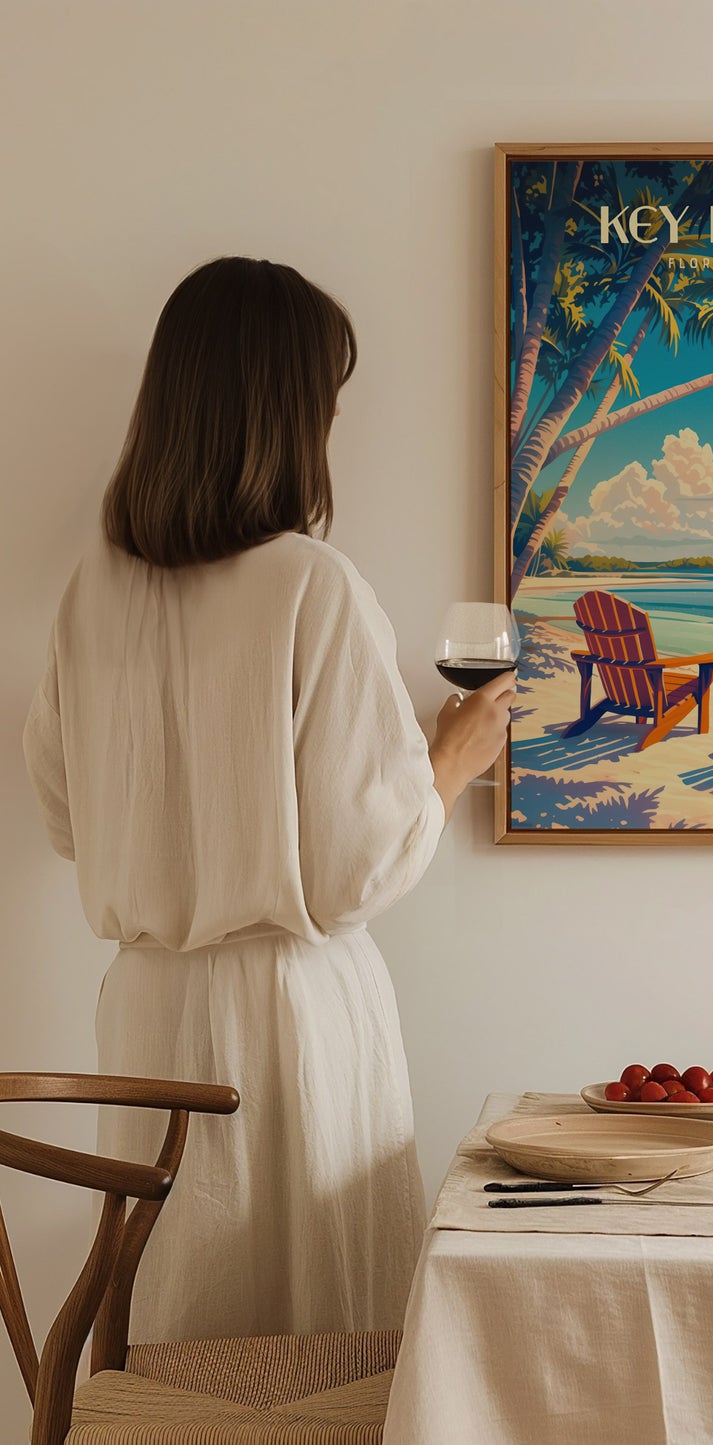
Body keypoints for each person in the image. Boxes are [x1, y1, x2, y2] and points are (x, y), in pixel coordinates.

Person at [21, 256, 512, 1341]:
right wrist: (449, 759)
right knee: (313, 1344)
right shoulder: (310, 583)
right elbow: (350, 872)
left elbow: (64, 817)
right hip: (288, 1019)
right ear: (287, 412)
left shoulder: (92, 590)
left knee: (176, 1327)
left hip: (145, 1009)